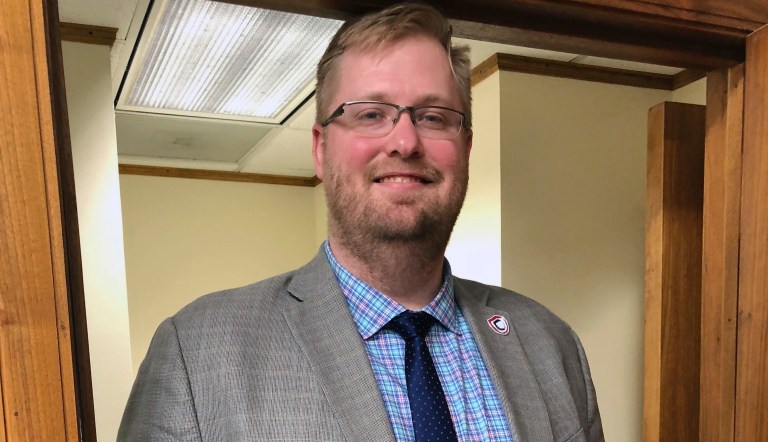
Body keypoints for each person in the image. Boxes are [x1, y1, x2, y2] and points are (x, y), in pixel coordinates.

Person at [119, 3, 603, 441]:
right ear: (320, 148)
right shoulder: (197, 353)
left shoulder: (550, 344)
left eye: (434, 117)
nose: (405, 142)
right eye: (371, 113)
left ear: (466, 148)